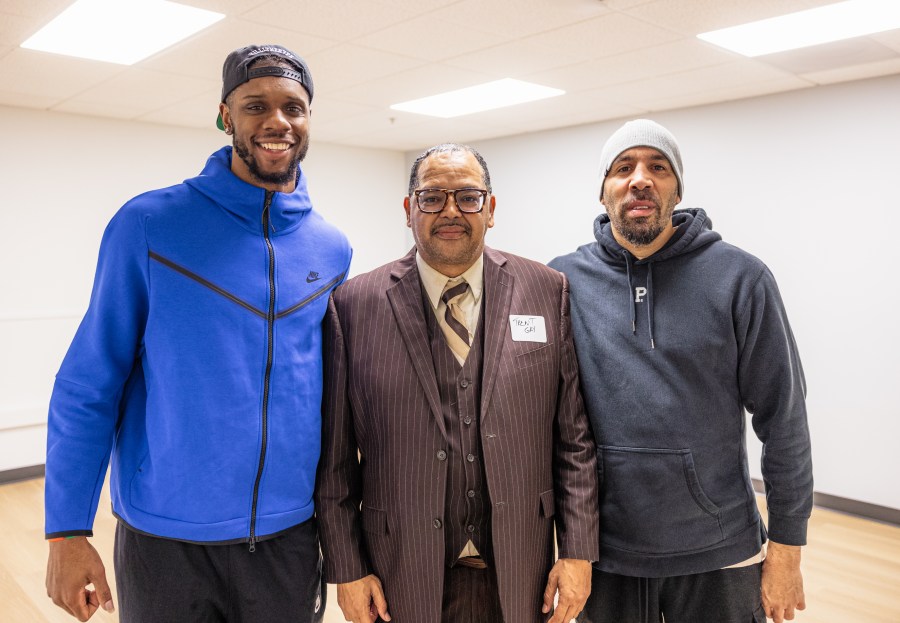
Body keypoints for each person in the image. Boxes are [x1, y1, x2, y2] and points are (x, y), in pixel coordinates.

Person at [44, 44, 351, 622]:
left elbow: (332, 398)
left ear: (309, 119)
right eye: (255, 105)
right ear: (224, 116)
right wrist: (66, 531)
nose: (277, 121)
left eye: (294, 107)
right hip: (165, 539)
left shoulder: (330, 248)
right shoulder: (149, 224)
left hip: (288, 536)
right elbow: (89, 383)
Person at [315, 143, 599, 623]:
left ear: (491, 209)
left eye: (468, 197)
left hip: (520, 566)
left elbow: (573, 440)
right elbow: (335, 459)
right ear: (409, 210)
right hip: (399, 569)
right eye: (432, 197)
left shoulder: (546, 289)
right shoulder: (353, 305)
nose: (451, 211)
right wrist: (346, 567)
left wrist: (577, 551)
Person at [549, 119, 812, 623]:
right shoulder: (562, 280)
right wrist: (562, 544)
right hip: (604, 554)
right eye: (623, 167)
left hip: (719, 549)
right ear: (604, 192)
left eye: (658, 167)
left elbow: (785, 419)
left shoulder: (741, 278)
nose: (640, 179)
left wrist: (787, 546)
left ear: (677, 189)